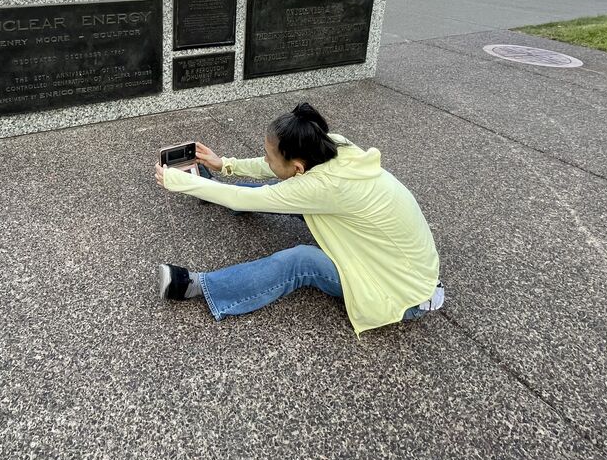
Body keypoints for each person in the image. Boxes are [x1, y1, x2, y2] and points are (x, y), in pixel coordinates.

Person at [153, 102, 444, 335]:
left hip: (401, 292)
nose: (265, 159)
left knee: (301, 260)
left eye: (269, 156)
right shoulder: (331, 146)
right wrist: (225, 165)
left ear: (299, 166)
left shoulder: (325, 187)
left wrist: (179, 182)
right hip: (395, 260)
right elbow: (273, 172)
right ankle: (214, 193)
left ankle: (201, 286)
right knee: (285, 195)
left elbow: (251, 194)